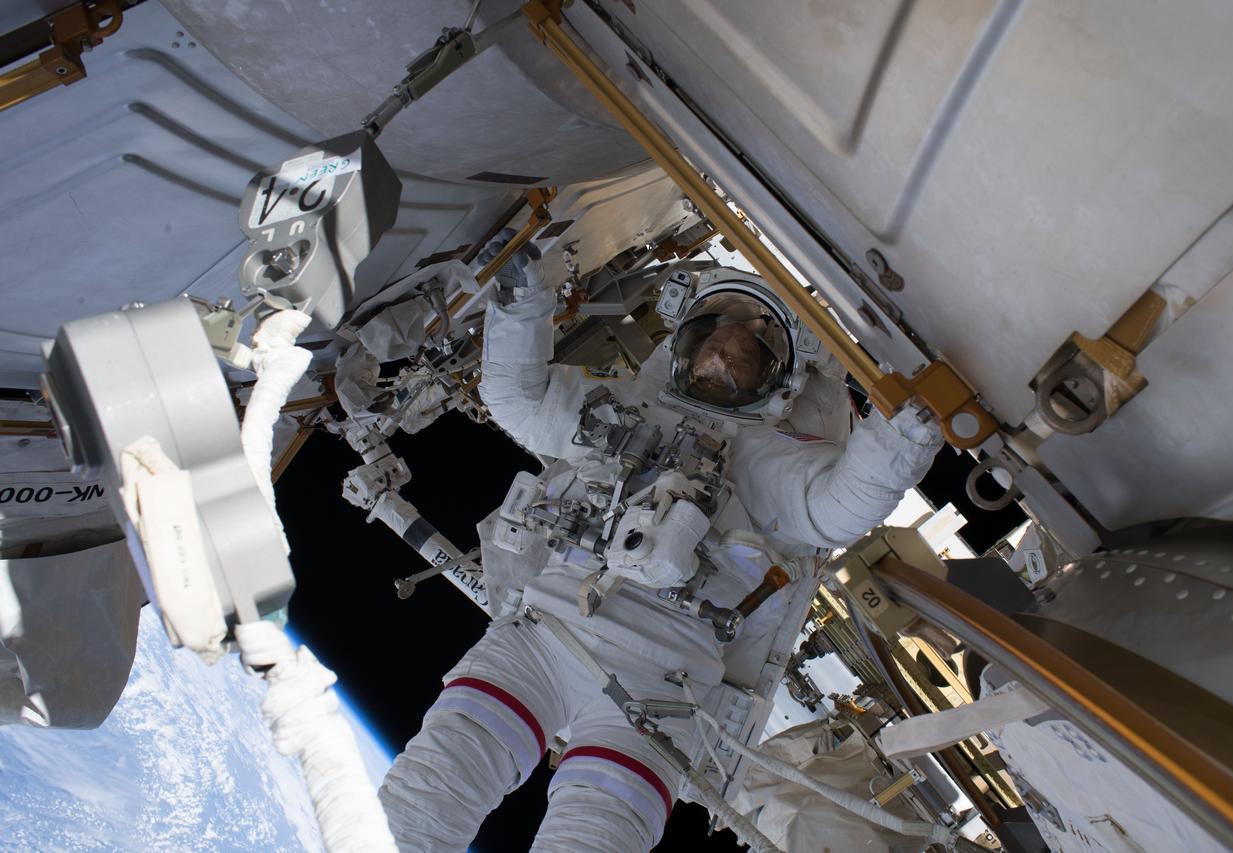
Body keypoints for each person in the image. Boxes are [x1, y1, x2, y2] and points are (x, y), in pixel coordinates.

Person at [378, 234, 944, 852]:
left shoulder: (772, 461)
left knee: (591, 842)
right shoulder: (620, 408)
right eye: (715, 341)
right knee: (431, 793)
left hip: (664, 683)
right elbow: (519, 397)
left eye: (744, 353)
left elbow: (841, 506)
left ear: (774, 380)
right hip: (546, 637)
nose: (723, 354)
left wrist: (905, 432)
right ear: (685, 347)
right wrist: (521, 295)